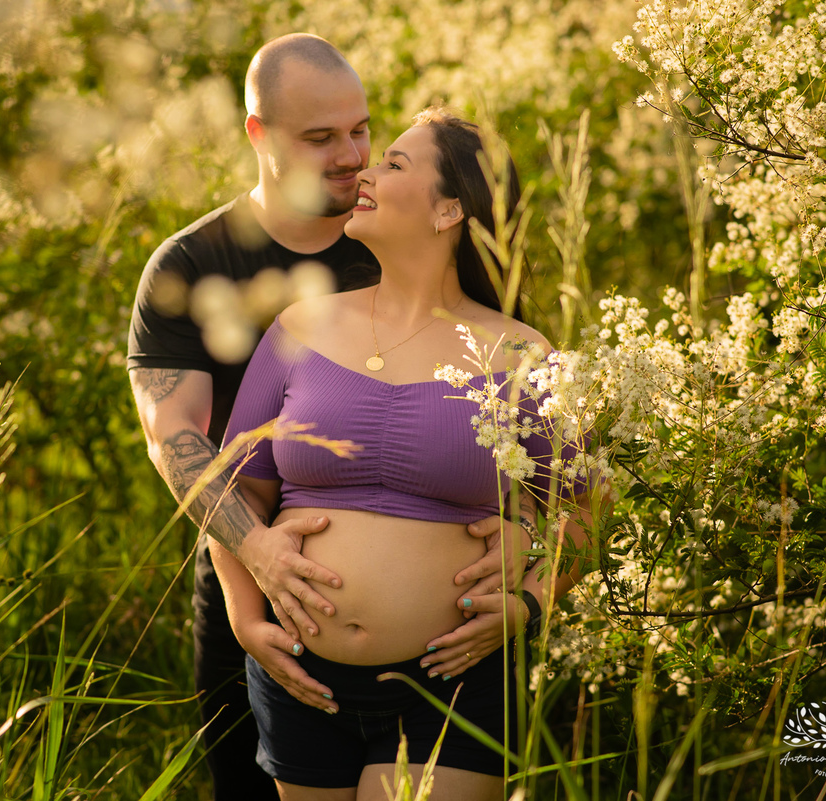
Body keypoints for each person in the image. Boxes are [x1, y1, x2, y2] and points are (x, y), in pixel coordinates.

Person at [127, 36, 533, 800]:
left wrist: (528, 541)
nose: (353, 158)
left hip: (445, 659)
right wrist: (260, 572)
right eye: (321, 138)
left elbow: (540, 461)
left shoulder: (395, 240)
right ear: (260, 135)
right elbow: (177, 439)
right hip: (261, 607)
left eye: (362, 131)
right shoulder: (191, 268)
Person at [211, 108, 598, 801]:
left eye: (393, 164)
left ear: (451, 207)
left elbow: (588, 509)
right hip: (301, 679)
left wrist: (531, 604)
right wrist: (245, 619)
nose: (366, 171)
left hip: (455, 681)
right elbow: (230, 493)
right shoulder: (300, 326)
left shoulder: (521, 354)